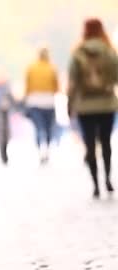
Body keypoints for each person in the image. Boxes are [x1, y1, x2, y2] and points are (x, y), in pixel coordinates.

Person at [68, 18, 118, 198]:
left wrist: (70, 104)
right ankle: (108, 179)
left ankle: (95, 184)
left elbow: (72, 82)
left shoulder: (78, 53)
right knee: (106, 142)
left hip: (85, 105)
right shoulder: (109, 51)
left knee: (89, 144)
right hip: (107, 104)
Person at [25, 47, 59, 164]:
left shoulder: (31, 68)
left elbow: (27, 86)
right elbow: (56, 87)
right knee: (48, 128)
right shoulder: (52, 68)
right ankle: (47, 150)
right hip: (49, 101)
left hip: (34, 101)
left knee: (39, 128)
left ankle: (40, 151)